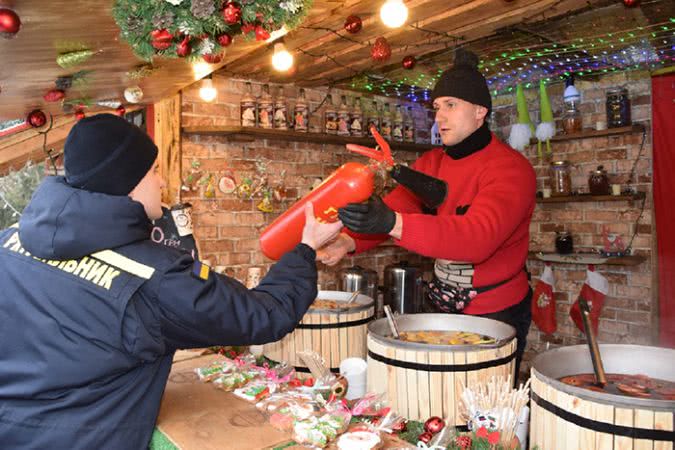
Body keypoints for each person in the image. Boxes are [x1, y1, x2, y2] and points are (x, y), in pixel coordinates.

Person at [0, 114, 343, 449]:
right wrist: (306, 247)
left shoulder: (7, 243)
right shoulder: (152, 275)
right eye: (154, 172)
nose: (162, 183)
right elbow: (263, 315)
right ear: (126, 183)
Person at [318, 49, 536, 376]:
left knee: (484, 412)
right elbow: (393, 211)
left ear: (480, 111)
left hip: (497, 313)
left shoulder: (511, 169)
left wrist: (392, 222)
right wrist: (348, 242)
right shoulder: (432, 163)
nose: (439, 117)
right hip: (441, 307)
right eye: (436, 107)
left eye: (451, 105)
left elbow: (477, 239)